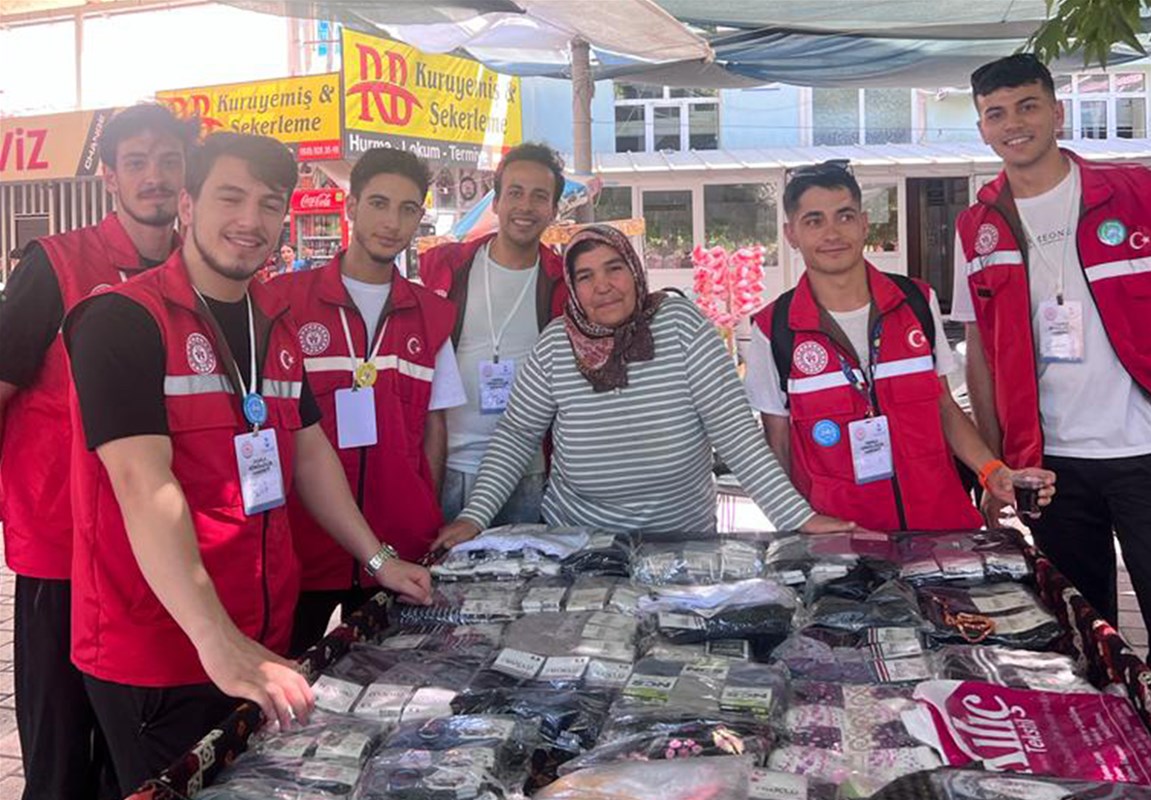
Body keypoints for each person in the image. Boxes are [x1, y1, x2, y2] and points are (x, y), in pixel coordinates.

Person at [62, 132, 432, 793]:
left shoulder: (273, 322)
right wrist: (217, 640)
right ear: (187, 204)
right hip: (163, 652)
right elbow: (142, 483)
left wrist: (378, 560)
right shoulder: (122, 320)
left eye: (269, 204)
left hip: (259, 637)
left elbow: (310, 450)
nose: (250, 221)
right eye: (229, 198)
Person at [0, 103, 197, 800]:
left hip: (153, 549)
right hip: (61, 549)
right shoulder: (56, 265)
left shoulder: (196, 271)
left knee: (139, 752)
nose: (154, 176)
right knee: (59, 754)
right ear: (109, 176)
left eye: (168, 160)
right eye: (136, 162)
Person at [433, 224, 850, 549]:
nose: (602, 286)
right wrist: (475, 517)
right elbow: (517, 435)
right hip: (580, 542)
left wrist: (797, 518)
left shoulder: (682, 326)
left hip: (682, 540)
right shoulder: (556, 345)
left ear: (634, 272)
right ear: (573, 288)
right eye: (585, 276)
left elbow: (735, 434)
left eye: (614, 268)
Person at [744, 160, 1054, 533]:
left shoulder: (917, 302)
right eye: (814, 221)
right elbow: (777, 445)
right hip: (843, 540)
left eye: (844, 216)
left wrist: (992, 471)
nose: (832, 233)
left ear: (864, 223)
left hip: (939, 529)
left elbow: (944, 406)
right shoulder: (774, 330)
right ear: (791, 234)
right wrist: (796, 528)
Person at [953, 53, 1151, 631]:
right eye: (996, 113)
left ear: (1058, 114)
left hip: (1143, 450)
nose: (1014, 123)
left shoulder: (1136, 192)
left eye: (1028, 106)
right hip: (1049, 465)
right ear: (983, 129)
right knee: (1084, 629)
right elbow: (981, 354)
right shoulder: (977, 226)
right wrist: (994, 466)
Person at [279, 148, 465, 654]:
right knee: (292, 679)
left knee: (392, 681)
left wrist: (422, 507)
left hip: (399, 546)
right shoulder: (284, 301)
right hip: (305, 540)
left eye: (407, 209)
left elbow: (435, 426)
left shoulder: (431, 314)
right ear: (352, 206)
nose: (392, 222)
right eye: (379, 204)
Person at [420, 143, 569, 526]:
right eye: (515, 193)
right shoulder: (449, 268)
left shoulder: (565, 283)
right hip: (451, 467)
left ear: (553, 209)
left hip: (532, 472)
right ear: (497, 201)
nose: (525, 206)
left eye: (540, 196)